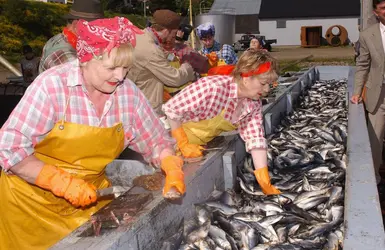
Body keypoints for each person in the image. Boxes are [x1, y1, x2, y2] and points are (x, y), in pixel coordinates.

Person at [0, 17, 186, 249]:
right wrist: (59, 181)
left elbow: (156, 140)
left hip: (89, 201)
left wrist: (168, 160)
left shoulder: (128, 94)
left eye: (126, 68)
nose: (120, 76)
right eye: (110, 68)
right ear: (84, 59)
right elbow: (9, 147)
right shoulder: (52, 87)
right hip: (28, 208)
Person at [163, 49, 281, 195]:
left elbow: (255, 139)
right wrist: (182, 143)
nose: (267, 89)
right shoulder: (212, 87)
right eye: (263, 83)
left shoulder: (252, 104)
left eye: (270, 84)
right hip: (166, 140)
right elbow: (171, 110)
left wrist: (264, 180)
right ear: (246, 77)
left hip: (196, 148)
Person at [127, 9, 195, 114]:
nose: (174, 36)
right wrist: (188, 68)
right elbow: (174, 79)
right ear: (166, 31)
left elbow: (150, 61)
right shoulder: (151, 50)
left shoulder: (142, 34)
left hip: (135, 97)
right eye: (174, 33)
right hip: (145, 107)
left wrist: (168, 55)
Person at [351, 0, 385, 199]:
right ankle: (374, 182)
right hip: (377, 96)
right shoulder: (367, 35)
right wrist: (357, 91)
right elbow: (362, 64)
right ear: (376, 12)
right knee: (375, 140)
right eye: (383, 8)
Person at [39, 0, 104, 73]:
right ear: (76, 25)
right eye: (94, 27)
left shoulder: (60, 38)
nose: (99, 32)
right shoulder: (64, 55)